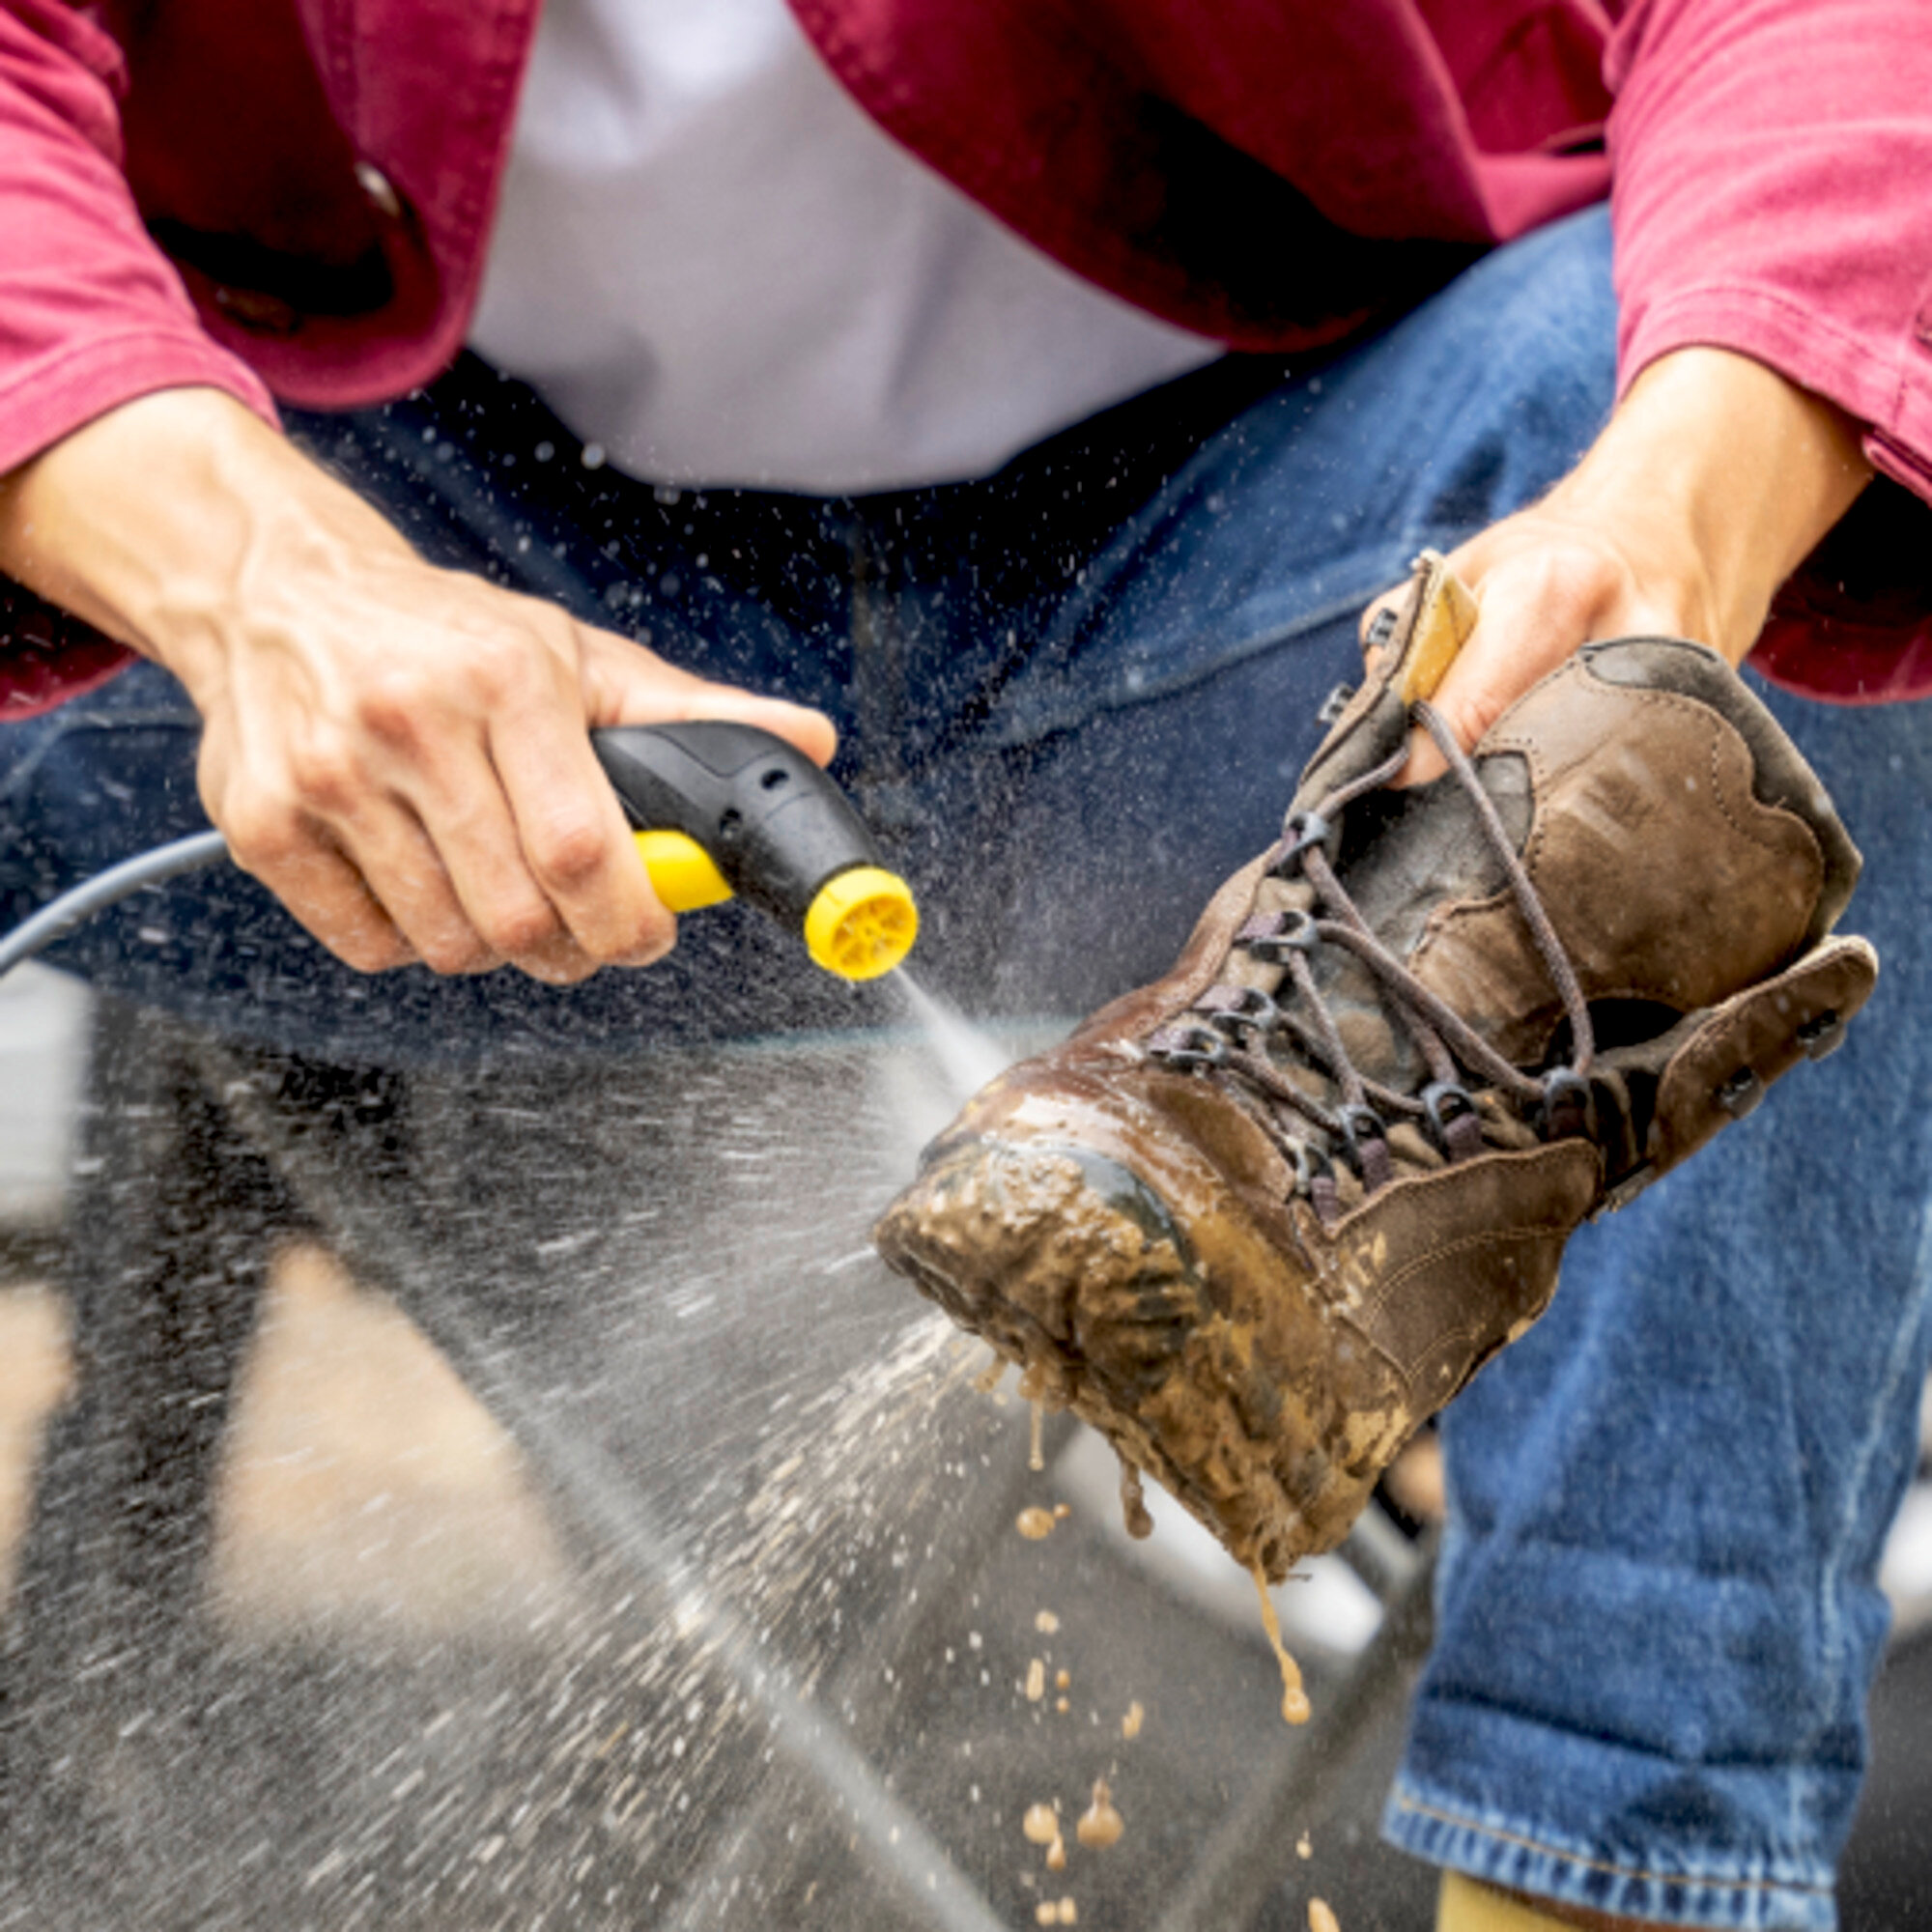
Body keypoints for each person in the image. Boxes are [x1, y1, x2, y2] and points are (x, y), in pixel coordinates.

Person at [1, 0, 1928, 1925]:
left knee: (1751, 434)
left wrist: (1675, 518)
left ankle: (1605, 1881)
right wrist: (253, 573)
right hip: (435, 649)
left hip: (1283, 593)